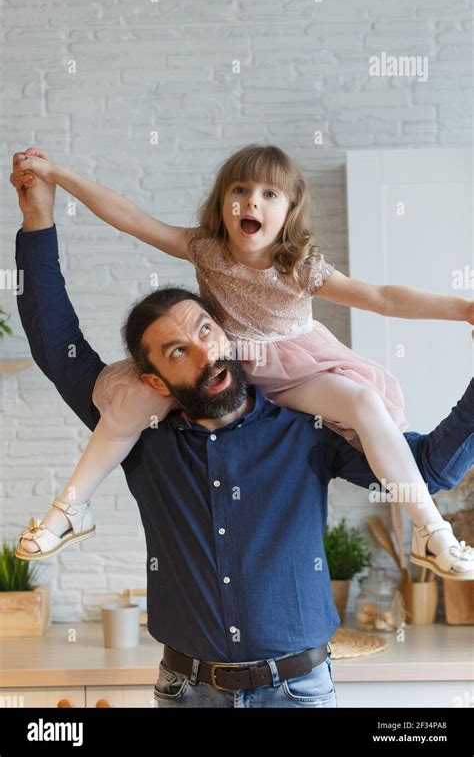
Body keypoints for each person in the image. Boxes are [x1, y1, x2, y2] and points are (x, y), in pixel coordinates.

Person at [11, 165, 474, 707]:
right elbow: (55, 339)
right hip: (187, 693)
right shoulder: (138, 430)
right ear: (154, 380)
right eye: (178, 350)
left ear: (227, 332)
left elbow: (429, 469)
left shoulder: (308, 426)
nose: (206, 354)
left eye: (206, 331)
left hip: (299, 692)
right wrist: (38, 218)